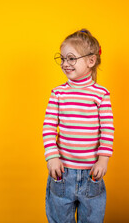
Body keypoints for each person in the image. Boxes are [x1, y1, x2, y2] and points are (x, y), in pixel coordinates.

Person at [42, 29, 115, 223]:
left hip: (91, 174)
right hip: (62, 173)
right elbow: (49, 127)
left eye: (71, 59)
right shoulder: (58, 93)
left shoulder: (101, 94)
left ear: (91, 61)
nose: (65, 64)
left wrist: (103, 160)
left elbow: (107, 129)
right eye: (63, 58)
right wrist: (52, 157)